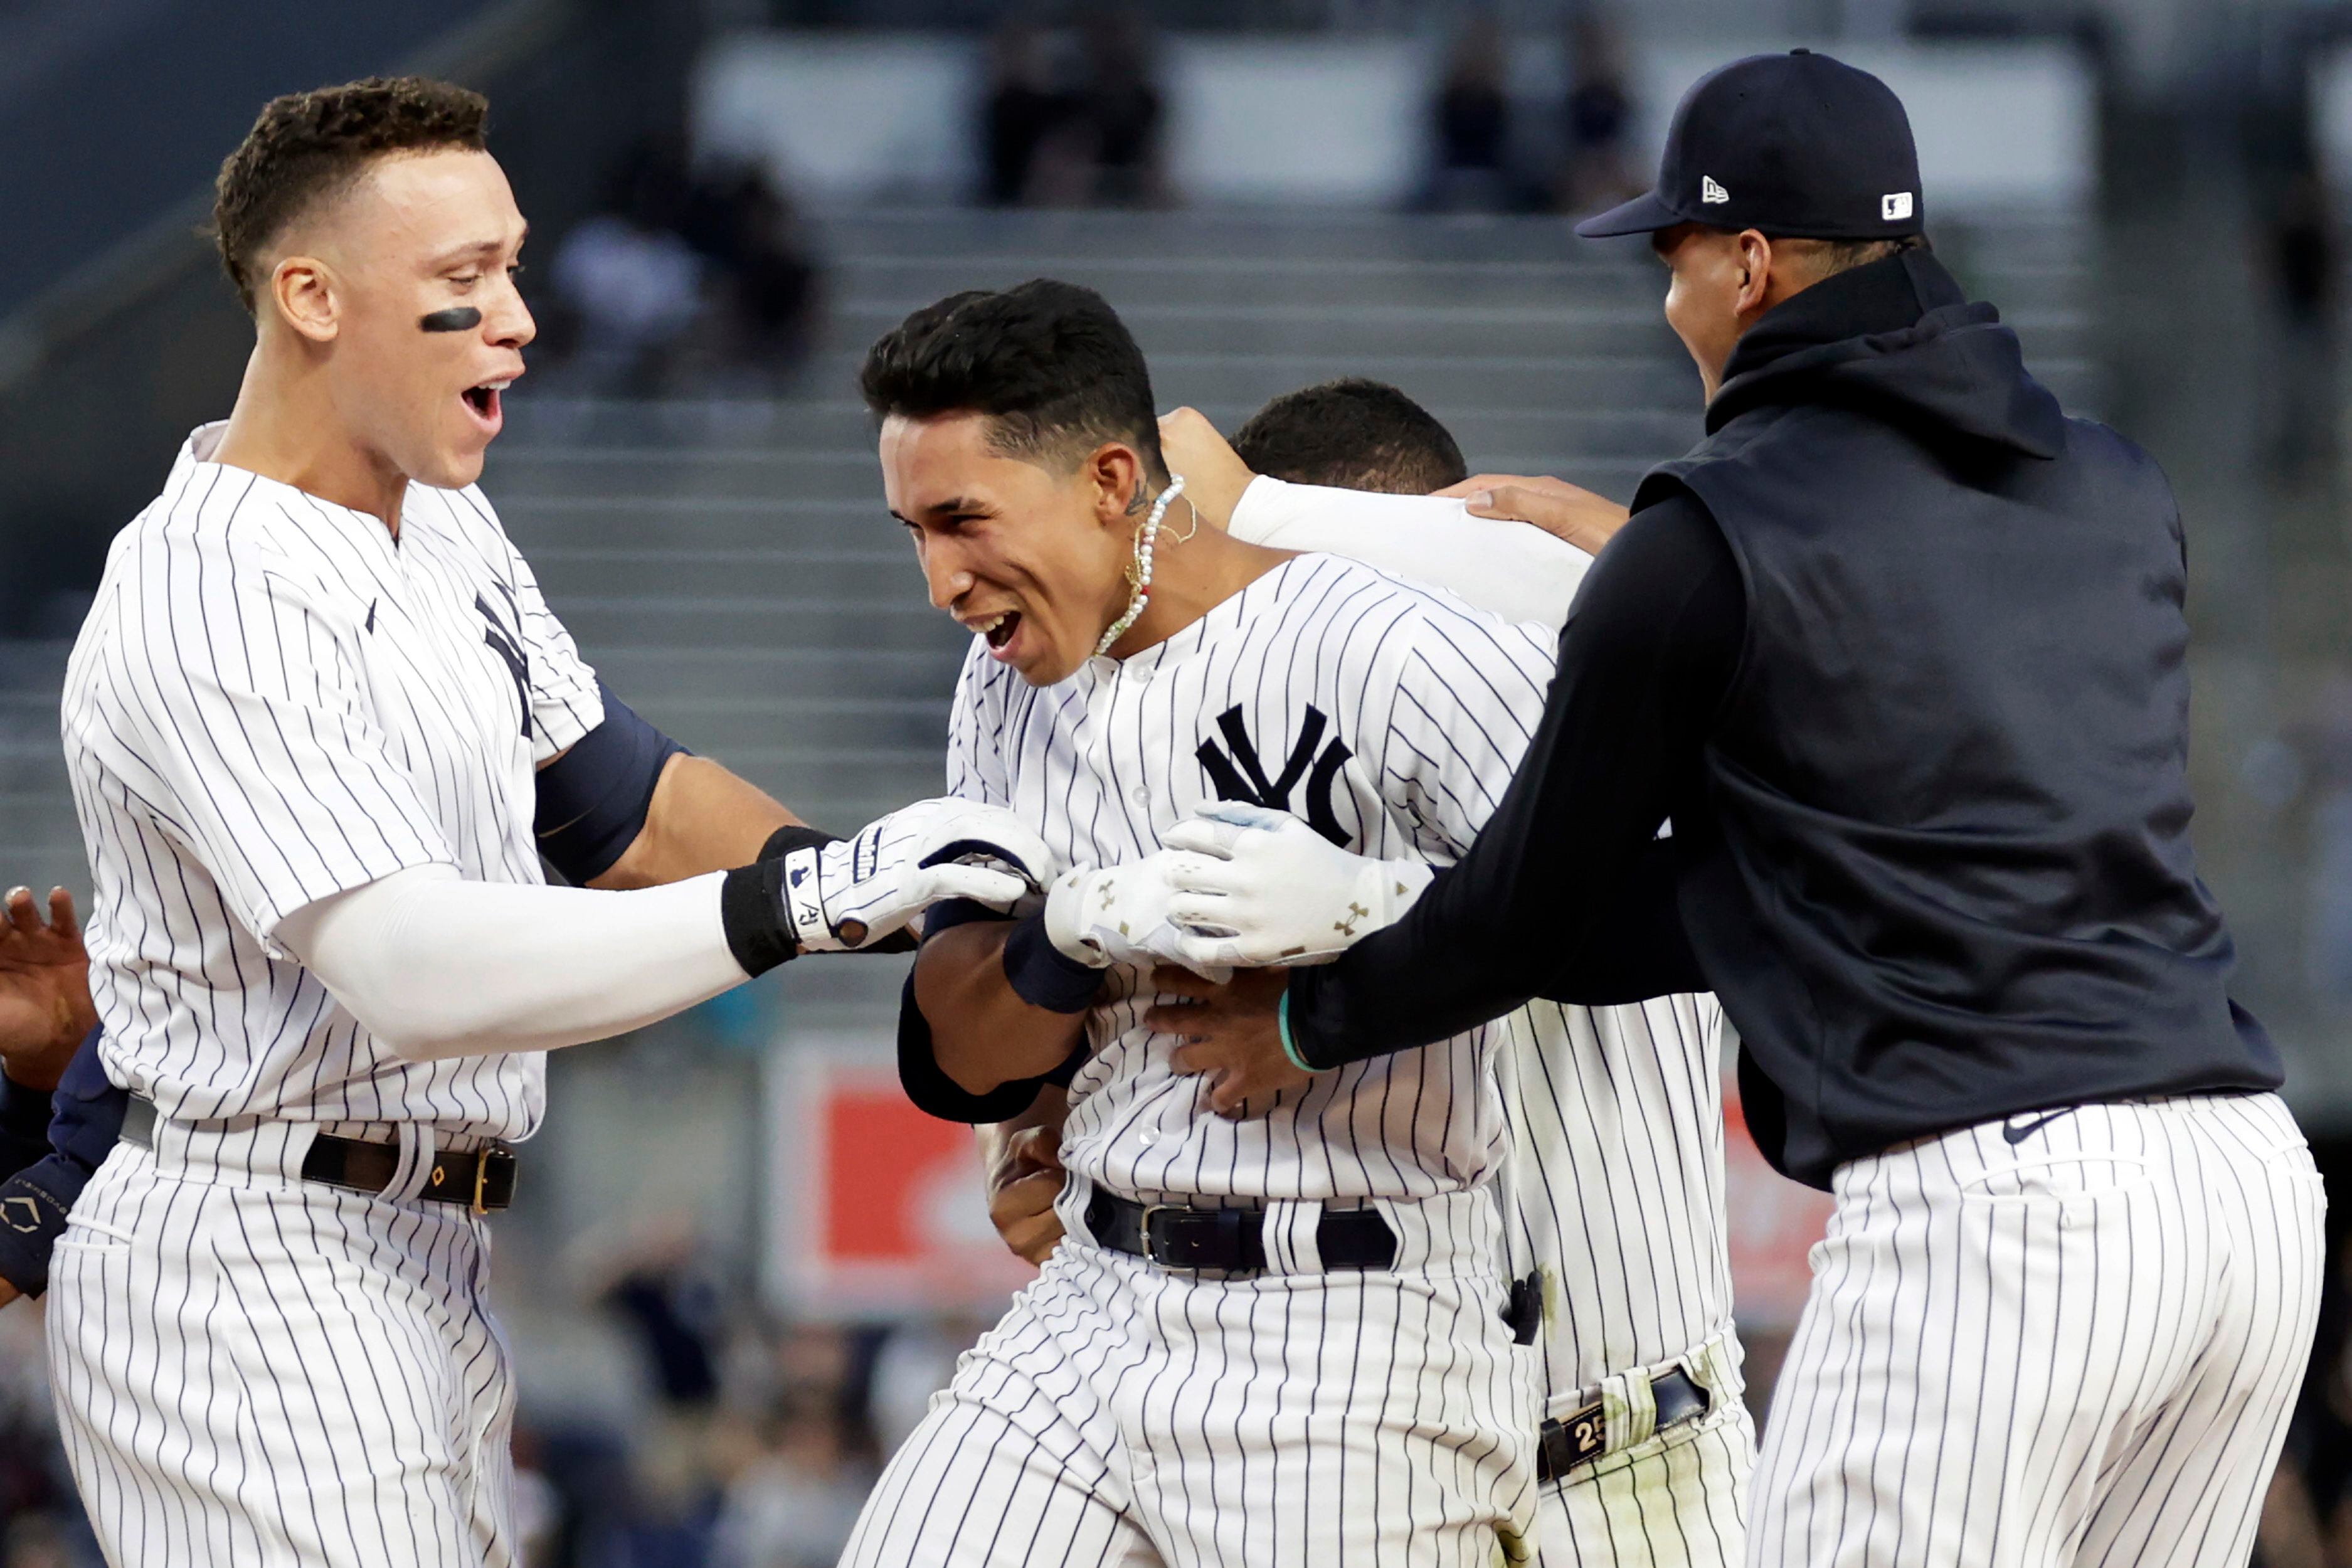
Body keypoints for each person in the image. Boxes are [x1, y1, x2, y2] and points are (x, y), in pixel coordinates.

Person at [1151, 51, 2323, 1568]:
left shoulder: (1710, 541)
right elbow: (1786, 851)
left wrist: (1307, 1023)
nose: (1666, 295)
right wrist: (1653, 559)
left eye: (1676, 255)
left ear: (1752, 265)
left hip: (2003, 1216)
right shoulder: (2116, 485)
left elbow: (1529, 912)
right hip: (2243, 1185)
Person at [46, 77, 1048, 1568]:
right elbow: (413, 970)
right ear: (309, 295)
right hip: (251, 1257)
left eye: (514, 262)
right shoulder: (207, 587)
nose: (517, 313)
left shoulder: (436, 510)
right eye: (464, 279)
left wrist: (948, 923)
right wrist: (805, 904)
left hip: (419, 1246)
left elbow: (627, 806)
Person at [983, 381, 1753, 1568]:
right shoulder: (1251, 780)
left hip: (1630, 1472)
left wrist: (1273, 512)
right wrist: (1048, 1144)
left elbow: (1532, 893)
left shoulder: (1584, 690)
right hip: (1343, 1461)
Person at [840, 281, 1550, 1566]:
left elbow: (1619, 894)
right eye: (914, 529)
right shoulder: (1003, 687)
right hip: (1093, 1295)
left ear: (1112, 477)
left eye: (962, 519)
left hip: (1350, 1317)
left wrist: (1361, 940)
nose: (940, 579)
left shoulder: (1384, 648)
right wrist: (1072, 931)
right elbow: (955, 1052)